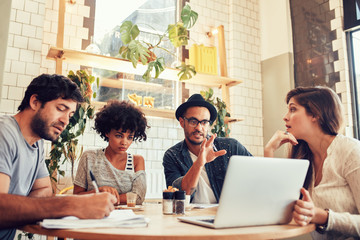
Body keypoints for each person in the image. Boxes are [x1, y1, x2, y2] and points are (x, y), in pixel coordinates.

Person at [0, 74, 116, 240]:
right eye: (61, 109)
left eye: (70, 115)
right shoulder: (4, 133)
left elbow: (44, 190)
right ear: (34, 102)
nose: (65, 121)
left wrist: (21, 207)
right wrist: (72, 205)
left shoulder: (36, 143)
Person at [264, 86, 360, 239]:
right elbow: (273, 206)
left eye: (293, 109)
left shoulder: (351, 151)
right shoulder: (302, 158)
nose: (285, 117)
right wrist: (269, 151)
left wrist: (324, 216)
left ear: (315, 114)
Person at [163, 94, 252, 204]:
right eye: (193, 121)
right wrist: (199, 163)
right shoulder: (172, 155)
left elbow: (257, 175)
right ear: (182, 122)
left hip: (224, 214)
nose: (199, 128)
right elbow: (179, 195)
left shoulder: (230, 147)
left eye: (204, 122)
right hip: (189, 216)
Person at [74, 100, 149, 205]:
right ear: (107, 132)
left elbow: (138, 197)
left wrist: (107, 197)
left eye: (130, 137)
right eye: (119, 135)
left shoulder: (137, 161)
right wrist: (98, 191)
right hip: (95, 216)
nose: (124, 142)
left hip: (127, 218)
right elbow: (76, 196)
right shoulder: (89, 157)